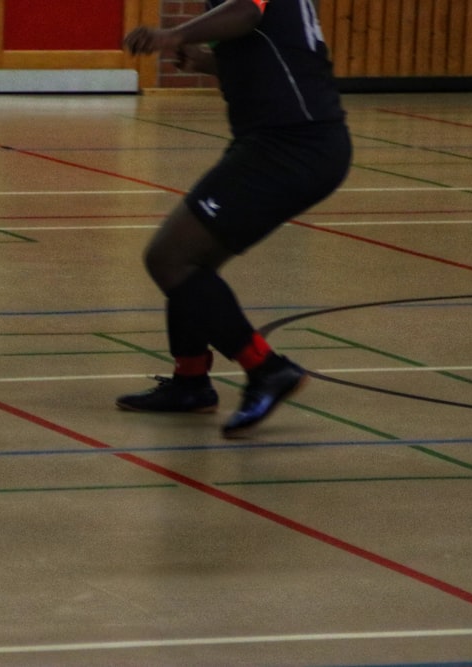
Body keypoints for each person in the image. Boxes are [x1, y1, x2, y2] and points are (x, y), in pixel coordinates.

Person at [116, 0, 352, 437]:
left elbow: (248, 12)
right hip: (287, 142)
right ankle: (190, 381)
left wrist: (174, 34)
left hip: (292, 146)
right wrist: (210, 61)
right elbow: (275, 54)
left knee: (170, 258)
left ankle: (267, 369)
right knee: (192, 264)